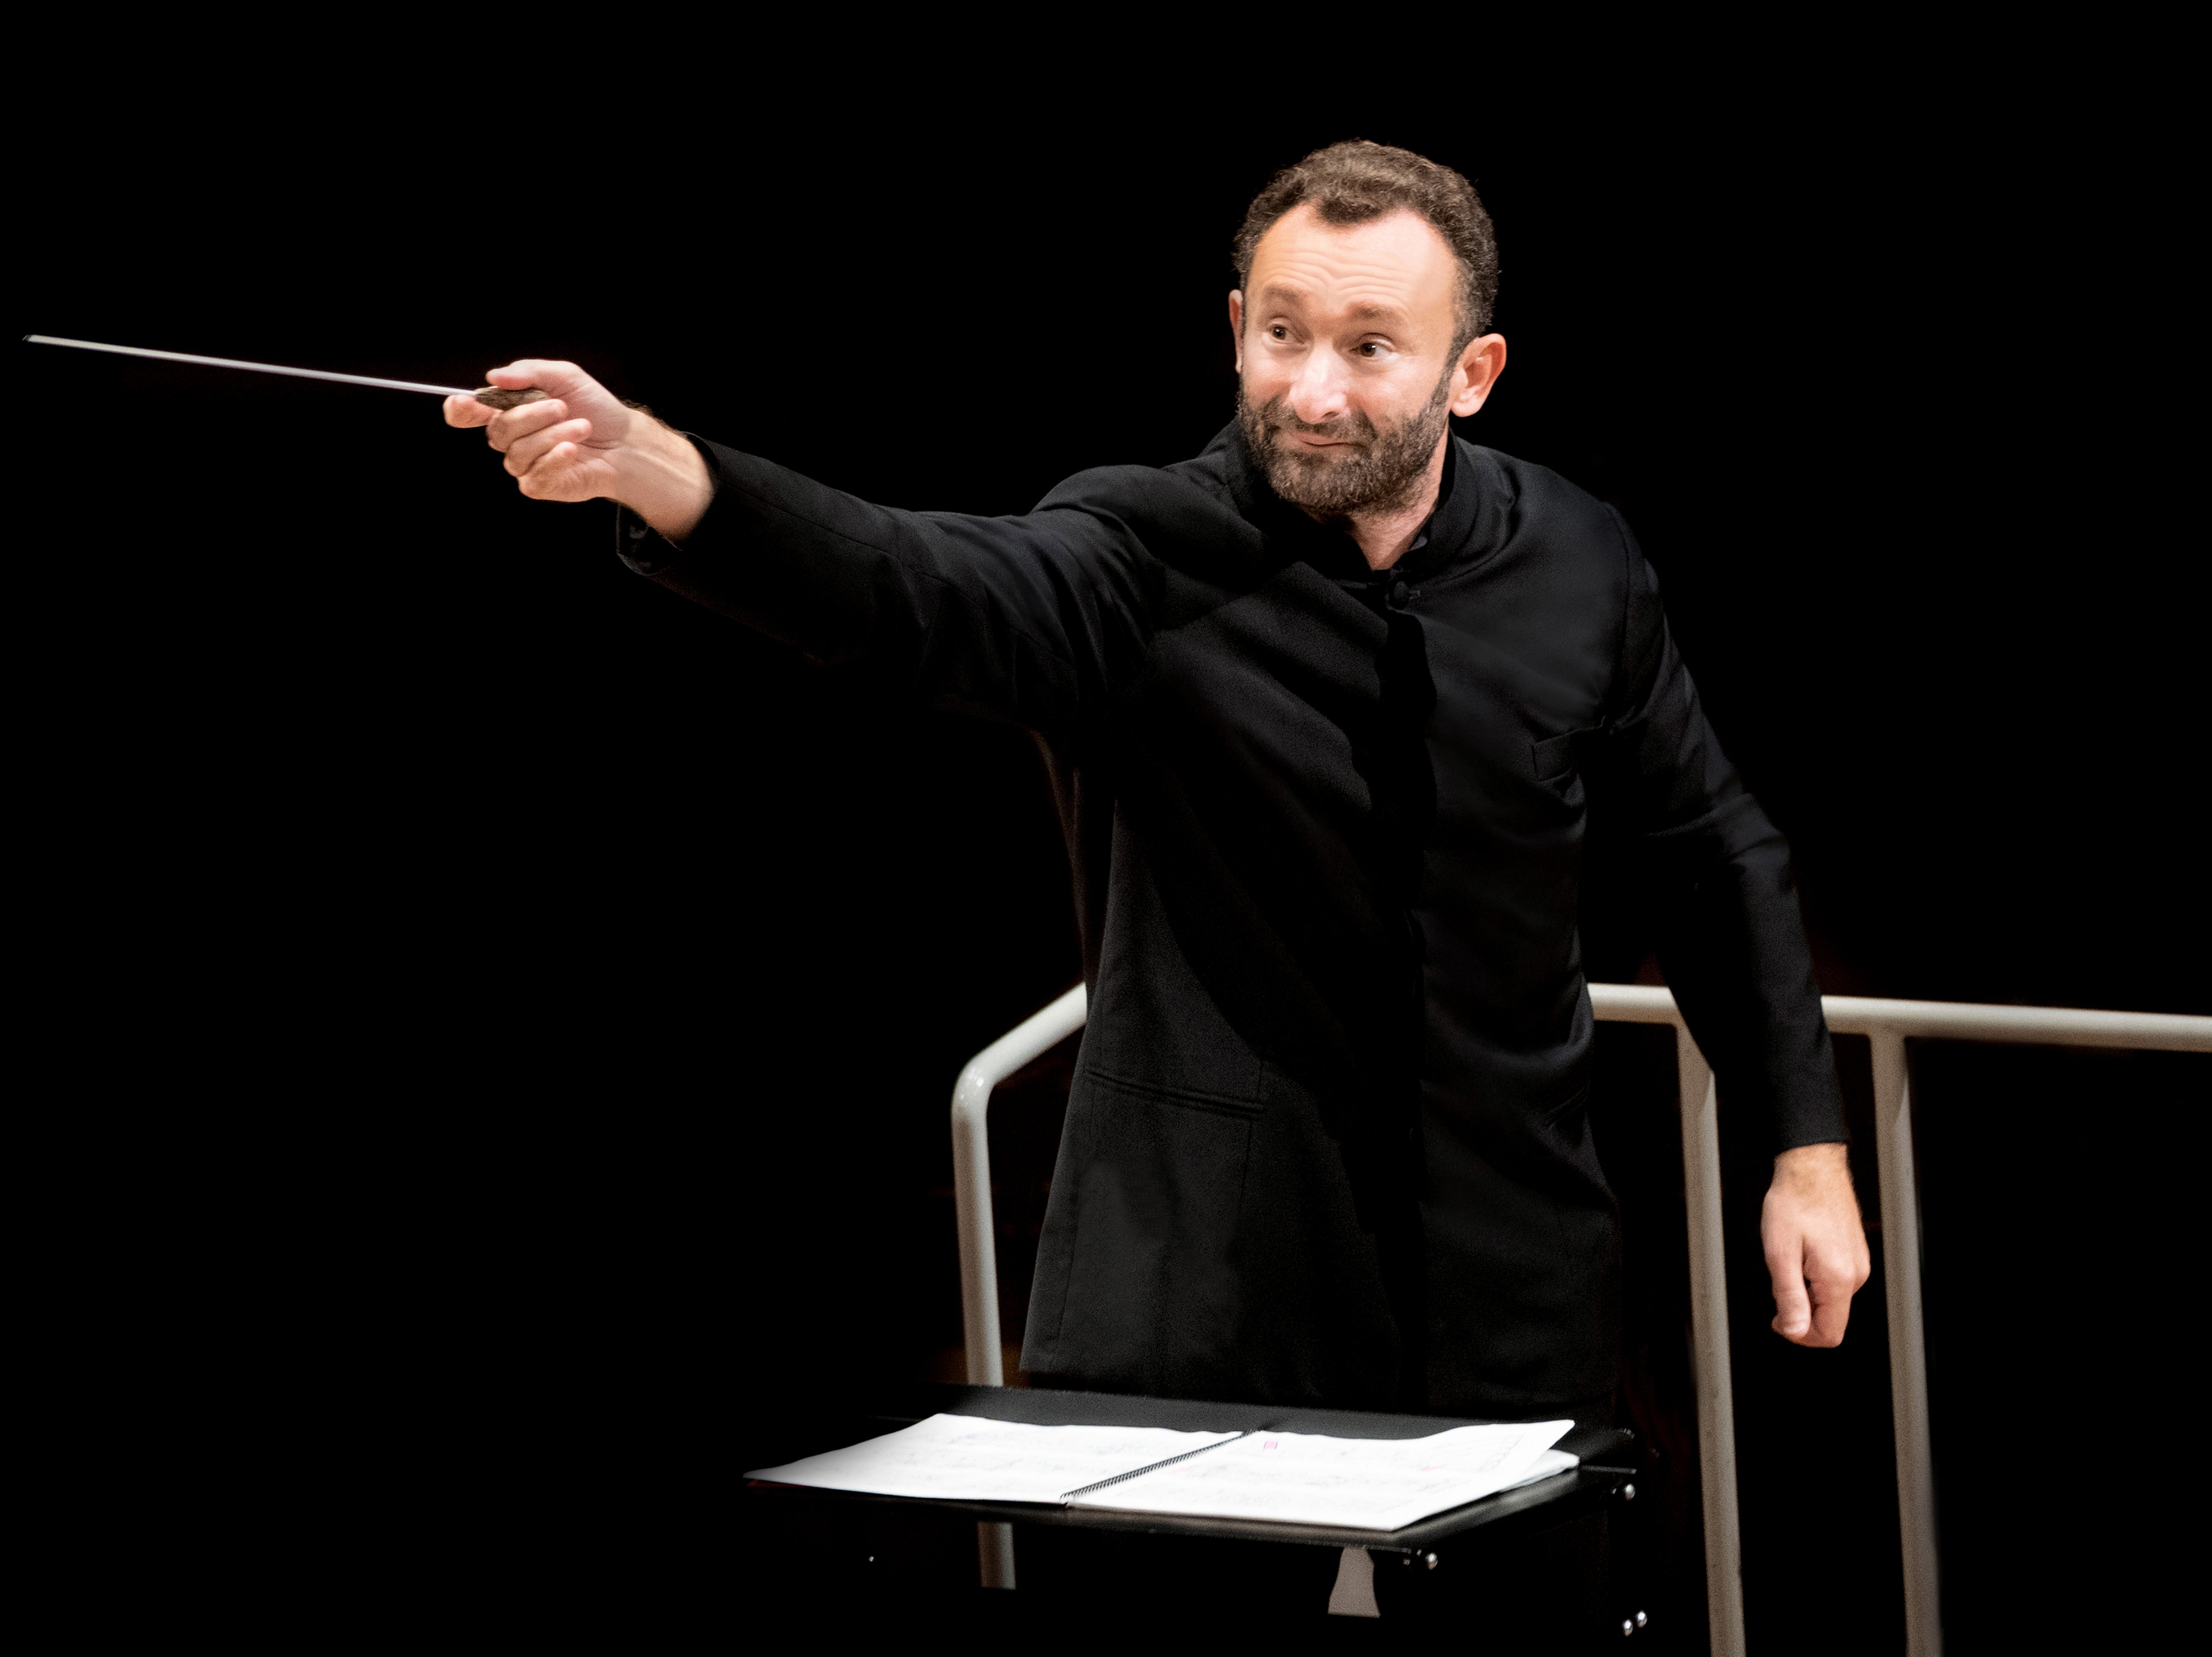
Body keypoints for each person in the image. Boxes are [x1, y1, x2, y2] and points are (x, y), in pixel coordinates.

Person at [446, 140, 1870, 1623]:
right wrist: (663, 474)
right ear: (1236, 324)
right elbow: (915, 586)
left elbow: (1710, 847)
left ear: (1473, 371)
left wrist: (1803, 1145)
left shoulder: (1578, 552)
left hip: (1512, 1270)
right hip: (1201, 1281)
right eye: (1280, 333)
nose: (1310, 389)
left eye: (1369, 348)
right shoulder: (1140, 546)